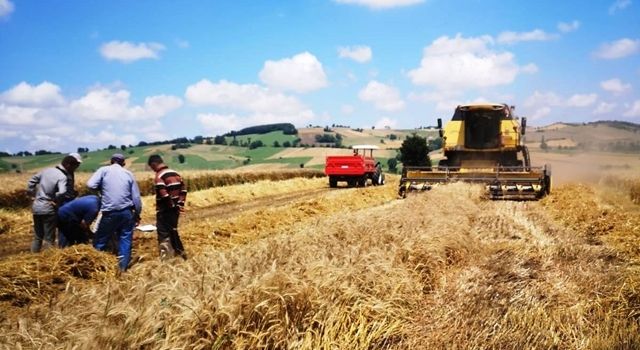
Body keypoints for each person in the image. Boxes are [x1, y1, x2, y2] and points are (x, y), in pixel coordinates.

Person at [87, 153, 142, 272]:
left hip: (109, 213)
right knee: (125, 240)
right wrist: (137, 214)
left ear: (111, 161)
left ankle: (96, 268)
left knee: (101, 240)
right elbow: (136, 198)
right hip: (126, 212)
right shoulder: (128, 174)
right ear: (123, 163)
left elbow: (90, 184)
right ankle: (122, 268)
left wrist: (101, 192)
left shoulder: (104, 170)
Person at [26, 153, 82, 252]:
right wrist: (55, 200)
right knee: (49, 238)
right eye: (75, 166)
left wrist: (32, 196)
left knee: (37, 236)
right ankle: (48, 262)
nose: (75, 169)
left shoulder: (46, 170)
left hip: (36, 206)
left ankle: (33, 257)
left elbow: (31, 181)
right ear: (68, 165)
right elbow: (62, 192)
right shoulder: (62, 176)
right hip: (48, 208)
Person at [147, 154, 188, 260]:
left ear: (154, 164)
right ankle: (180, 253)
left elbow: (163, 194)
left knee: (164, 233)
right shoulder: (175, 174)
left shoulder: (159, 176)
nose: (153, 170)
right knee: (173, 230)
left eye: (152, 168)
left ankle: (167, 258)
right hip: (175, 210)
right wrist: (179, 205)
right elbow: (183, 190)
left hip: (166, 210)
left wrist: (171, 206)